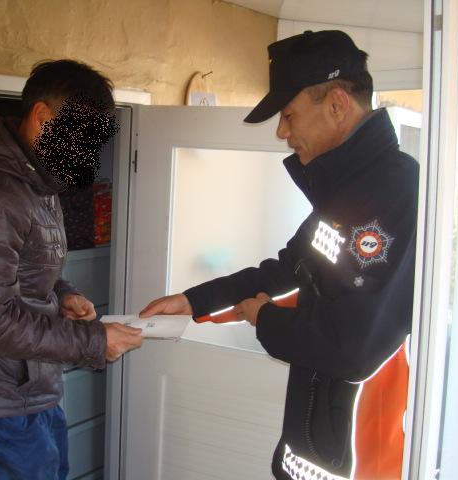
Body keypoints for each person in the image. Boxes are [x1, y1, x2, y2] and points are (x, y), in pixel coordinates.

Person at [141, 30, 418, 480]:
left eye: (289, 115)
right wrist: (193, 301)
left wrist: (264, 319)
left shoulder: (391, 192)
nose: (282, 132)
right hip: (315, 443)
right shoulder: (348, 192)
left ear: (337, 104)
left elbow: (354, 348)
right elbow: (290, 267)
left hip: (359, 456)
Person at [0, 59, 143, 480]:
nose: (88, 154)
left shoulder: (37, 184)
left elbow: (25, 269)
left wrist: (64, 294)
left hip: (29, 396)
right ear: (42, 117)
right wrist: (94, 341)